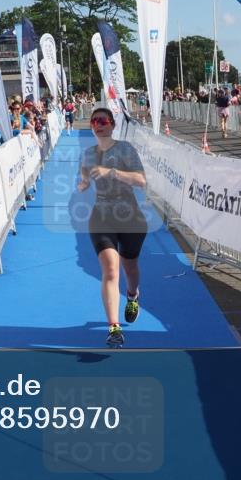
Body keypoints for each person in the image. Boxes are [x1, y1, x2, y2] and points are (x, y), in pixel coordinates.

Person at [77, 107, 148, 348]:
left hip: (130, 218)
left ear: (112, 125)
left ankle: (132, 295)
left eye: (104, 121)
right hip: (101, 217)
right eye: (95, 121)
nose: (99, 124)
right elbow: (85, 175)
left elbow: (141, 180)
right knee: (110, 269)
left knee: (130, 266)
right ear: (91, 125)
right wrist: (84, 183)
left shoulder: (125, 149)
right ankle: (114, 328)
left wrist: (113, 172)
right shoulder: (88, 153)